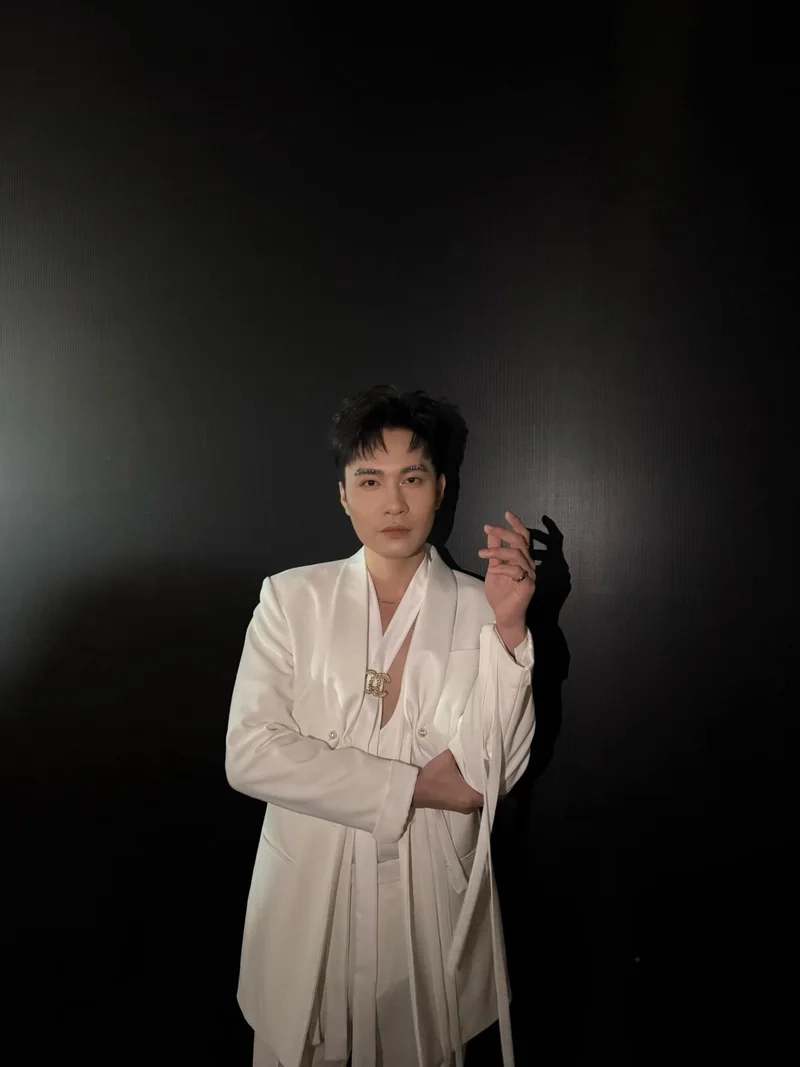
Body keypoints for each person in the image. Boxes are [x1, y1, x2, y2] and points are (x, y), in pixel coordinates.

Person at [226, 385, 536, 1067]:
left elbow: (492, 774)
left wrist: (511, 629)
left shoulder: (480, 607)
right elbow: (249, 754)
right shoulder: (291, 599)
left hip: (426, 904)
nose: (393, 503)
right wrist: (413, 787)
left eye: (412, 479)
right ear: (344, 494)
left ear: (440, 489)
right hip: (310, 896)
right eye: (370, 480)